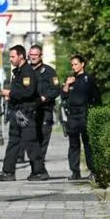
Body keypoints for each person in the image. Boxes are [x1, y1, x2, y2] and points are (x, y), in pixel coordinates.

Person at [0, 45, 45, 182]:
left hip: (27, 112)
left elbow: (28, 92)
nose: (10, 59)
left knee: (31, 142)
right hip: (17, 112)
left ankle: (39, 171)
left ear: (21, 56)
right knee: (13, 142)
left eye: (13, 56)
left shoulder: (27, 72)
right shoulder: (18, 72)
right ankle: (8, 171)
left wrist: (10, 93)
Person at [61, 54, 101, 181]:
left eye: (76, 64)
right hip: (72, 116)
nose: (73, 67)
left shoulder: (88, 79)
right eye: (72, 64)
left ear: (82, 64)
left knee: (88, 144)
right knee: (73, 145)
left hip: (85, 114)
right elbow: (63, 96)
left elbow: (96, 97)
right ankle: (75, 172)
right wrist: (67, 84)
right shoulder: (70, 79)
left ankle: (93, 171)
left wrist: (96, 113)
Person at [28, 44, 62, 178]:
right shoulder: (25, 71)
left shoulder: (49, 71)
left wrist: (44, 97)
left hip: (44, 111)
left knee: (42, 141)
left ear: (40, 56)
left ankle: (39, 171)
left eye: (35, 55)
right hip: (30, 112)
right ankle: (36, 170)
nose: (33, 57)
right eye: (31, 55)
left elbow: (56, 89)